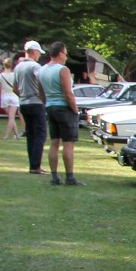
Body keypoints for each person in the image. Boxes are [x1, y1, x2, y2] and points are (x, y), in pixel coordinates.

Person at [39, 42, 84, 186]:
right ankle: (70, 177)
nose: (66, 55)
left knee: (54, 143)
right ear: (60, 54)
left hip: (50, 107)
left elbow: (41, 92)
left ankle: (54, 176)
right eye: (65, 53)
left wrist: (47, 103)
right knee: (68, 144)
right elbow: (68, 93)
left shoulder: (42, 70)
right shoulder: (62, 70)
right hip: (64, 108)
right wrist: (75, 109)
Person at [13, 41, 47, 174]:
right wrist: (42, 98)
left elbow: (15, 88)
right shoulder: (35, 66)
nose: (39, 55)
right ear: (33, 51)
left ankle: (32, 165)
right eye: (38, 52)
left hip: (23, 103)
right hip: (36, 102)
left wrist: (22, 96)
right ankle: (36, 165)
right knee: (40, 134)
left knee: (31, 135)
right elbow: (41, 82)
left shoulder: (18, 67)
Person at [0, 58, 22, 138]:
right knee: (12, 117)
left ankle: (11, 135)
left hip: (4, 97)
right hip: (14, 96)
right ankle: (14, 135)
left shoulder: (0, 76)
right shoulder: (15, 75)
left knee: (10, 117)